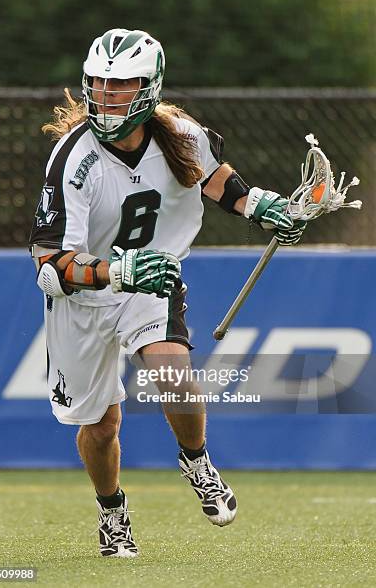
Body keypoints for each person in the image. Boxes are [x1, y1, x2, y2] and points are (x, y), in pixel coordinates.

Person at [29, 28, 305, 558]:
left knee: (172, 372)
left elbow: (217, 180)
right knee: (102, 425)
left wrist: (261, 207)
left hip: (152, 276)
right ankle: (112, 511)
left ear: (150, 86)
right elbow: (49, 266)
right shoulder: (72, 160)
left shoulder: (180, 133)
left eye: (121, 85)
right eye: (99, 84)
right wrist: (115, 271)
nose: (107, 96)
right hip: (87, 294)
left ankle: (196, 459)